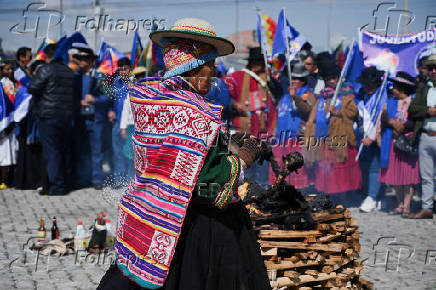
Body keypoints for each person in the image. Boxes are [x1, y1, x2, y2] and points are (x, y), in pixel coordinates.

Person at [98, 17, 270, 290]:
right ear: (192, 67)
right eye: (210, 65)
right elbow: (207, 180)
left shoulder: (152, 99)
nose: (214, 73)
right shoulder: (192, 112)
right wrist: (243, 159)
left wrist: (223, 144)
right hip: (191, 224)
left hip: (150, 209)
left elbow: (176, 155)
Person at [223, 46, 281, 188]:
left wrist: (270, 79)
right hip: (243, 133)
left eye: (261, 63)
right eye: (257, 62)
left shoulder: (267, 79)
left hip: (263, 133)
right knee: (243, 170)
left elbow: (279, 93)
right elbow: (221, 92)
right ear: (252, 63)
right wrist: (234, 105)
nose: (259, 66)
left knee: (261, 174)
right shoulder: (236, 77)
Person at [305, 62, 361, 200]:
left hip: (339, 139)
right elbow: (312, 118)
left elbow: (353, 113)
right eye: (328, 79)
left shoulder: (347, 96)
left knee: (339, 169)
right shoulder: (321, 98)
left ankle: (342, 199)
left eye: (334, 78)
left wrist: (338, 112)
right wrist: (309, 129)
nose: (331, 81)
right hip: (323, 139)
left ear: (338, 79)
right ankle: (328, 198)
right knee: (325, 168)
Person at [28, 43, 74, 195]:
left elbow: (33, 88)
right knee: (64, 150)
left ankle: (57, 186)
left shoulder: (46, 69)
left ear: (47, 56)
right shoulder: (69, 71)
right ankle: (66, 182)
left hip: (49, 116)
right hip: (66, 116)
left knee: (52, 151)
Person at [378, 72, 419, 218]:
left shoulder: (413, 102)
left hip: (408, 144)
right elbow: (383, 116)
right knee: (397, 175)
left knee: (408, 176)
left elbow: (416, 120)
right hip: (394, 144)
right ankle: (399, 204)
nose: (392, 90)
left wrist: (403, 127)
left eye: (395, 87)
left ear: (402, 89)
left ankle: (407, 205)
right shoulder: (391, 102)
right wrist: (391, 122)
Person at [271, 61, 316, 191]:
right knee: (280, 170)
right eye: (293, 77)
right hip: (281, 140)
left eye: (297, 78)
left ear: (303, 80)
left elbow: (307, 110)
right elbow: (279, 114)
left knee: (296, 171)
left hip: (297, 139)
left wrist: (295, 97)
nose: (294, 80)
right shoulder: (285, 97)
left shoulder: (307, 94)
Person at [72, 43, 112, 190]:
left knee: (97, 151)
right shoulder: (76, 77)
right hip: (81, 119)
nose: (79, 62)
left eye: (82, 59)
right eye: (78, 58)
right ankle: (84, 178)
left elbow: (109, 97)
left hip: (96, 119)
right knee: (82, 150)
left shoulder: (101, 77)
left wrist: (94, 100)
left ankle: (97, 179)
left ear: (90, 61)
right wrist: (78, 102)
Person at [408, 54, 436, 219]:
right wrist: (428, 111)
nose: (433, 71)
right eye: (431, 68)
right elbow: (412, 109)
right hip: (425, 135)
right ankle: (427, 207)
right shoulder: (423, 87)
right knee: (426, 176)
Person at [355, 66, 386, 213]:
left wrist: (372, 137)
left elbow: (381, 117)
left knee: (376, 166)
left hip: (378, 136)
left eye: (371, 84)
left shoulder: (382, 95)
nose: (367, 87)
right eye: (365, 84)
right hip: (364, 135)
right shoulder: (363, 95)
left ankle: (372, 197)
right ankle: (376, 194)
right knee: (366, 166)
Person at [13, 59, 48, 190]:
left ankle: (41, 181)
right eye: (38, 70)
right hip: (27, 128)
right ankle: (30, 181)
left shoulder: (48, 87)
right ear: (33, 72)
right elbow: (19, 110)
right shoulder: (24, 89)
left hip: (43, 127)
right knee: (29, 155)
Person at [108, 57, 132, 183]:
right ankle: (118, 179)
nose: (123, 72)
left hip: (129, 125)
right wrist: (110, 111)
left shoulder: (136, 83)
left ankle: (129, 180)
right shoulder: (116, 83)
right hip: (117, 123)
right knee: (117, 152)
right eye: (121, 69)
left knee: (128, 153)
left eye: (125, 69)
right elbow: (112, 102)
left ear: (130, 69)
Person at [0, 60, 18, 189]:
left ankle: (5, 179)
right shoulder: (3, 84)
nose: (10, 71)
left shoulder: (10, 84)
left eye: (11, 69)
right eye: (7, 69)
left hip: (8, 120)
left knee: (6, 153)